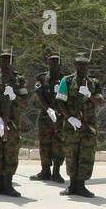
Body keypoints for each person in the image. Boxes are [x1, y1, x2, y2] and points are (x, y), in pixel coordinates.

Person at [55, 51, 105, 197]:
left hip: (88, 125)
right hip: (72, 126)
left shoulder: (94, 83)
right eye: (80, 64)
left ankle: (81, 185)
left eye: (85, 64)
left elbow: (100, 101)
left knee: (86, 155)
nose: (83, 67)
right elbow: (60, 101)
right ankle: (72, 185)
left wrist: (89, 94)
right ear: (75, 65)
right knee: (71, 154)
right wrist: (69, 117)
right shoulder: (68, 81)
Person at [0, 49, 26, 197]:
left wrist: (14, 96)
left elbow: (23, 102)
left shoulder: (18, 79)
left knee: (11, 152)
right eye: (3, 59)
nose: (5, 62)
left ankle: (8, 184)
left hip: (13, 122)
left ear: (11, 61)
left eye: (8, 59)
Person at [31, 52, 66, 183]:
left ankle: (56, 171)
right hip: (45, 115)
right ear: (48, 62)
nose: (54, 63)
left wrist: (58, 111)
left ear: (60, 62)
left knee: (58, 143)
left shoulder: (64, 79)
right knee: (44, 143)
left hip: (59, 115)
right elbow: (39, 95)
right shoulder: (41, 77)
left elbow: (65, 97)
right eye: (52, 61)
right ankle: (45, 170)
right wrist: (48, 109)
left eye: (56, 61)